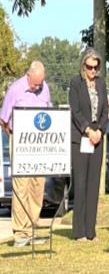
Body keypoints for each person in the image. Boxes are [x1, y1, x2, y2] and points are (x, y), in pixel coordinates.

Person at [0, 61, 51, 247]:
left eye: (40, 83)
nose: (37, 87)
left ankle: (33, 227)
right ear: (28, 75)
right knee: (21, 186)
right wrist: (14, 136)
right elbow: (3, 119)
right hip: (21, 142)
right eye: (35, 84)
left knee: (37, 186)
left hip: (40, 144)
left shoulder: (45, 89)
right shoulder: (16, 89)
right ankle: (20, 232)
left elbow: (50, 114)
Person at [69, 48, 109, 241]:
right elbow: (75, 111)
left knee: (93, 184)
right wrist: (88, 130)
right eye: (89, 67)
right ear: (83, 65)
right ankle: (79, 232)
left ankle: (90, 231)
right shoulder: (75, 83)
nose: (93, 70)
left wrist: (100, 130)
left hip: (98, 138)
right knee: (81, 184)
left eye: (96, 67)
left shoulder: (101, 84)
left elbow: (106, 110)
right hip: (81, 137)